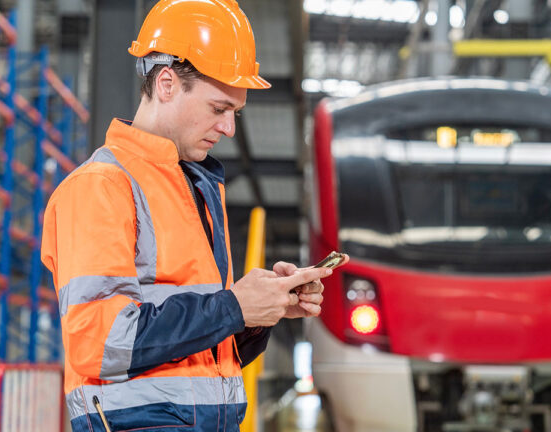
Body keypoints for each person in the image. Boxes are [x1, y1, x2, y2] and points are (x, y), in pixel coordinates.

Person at [40, 1, 339, 431]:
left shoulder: (193, 190)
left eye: (235, 113)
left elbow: (195, 352)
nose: (229, 128)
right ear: (166, 83)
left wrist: (259, 312)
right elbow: (99, 343)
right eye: (219, 109)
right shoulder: (102, 187)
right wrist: (234, 305)